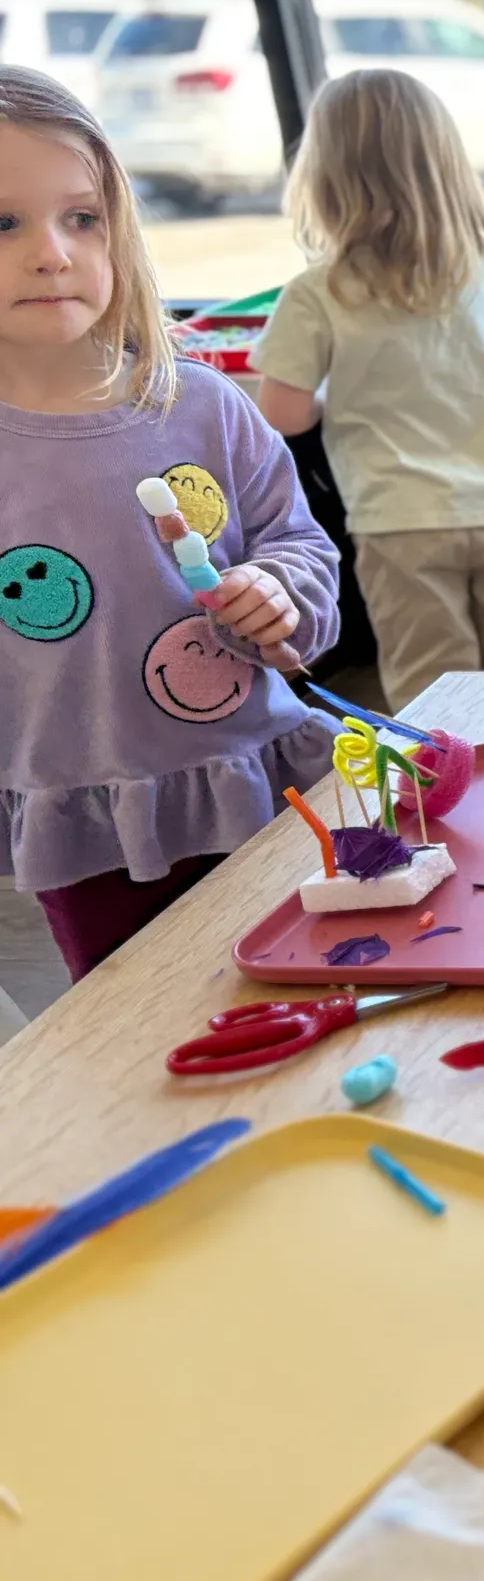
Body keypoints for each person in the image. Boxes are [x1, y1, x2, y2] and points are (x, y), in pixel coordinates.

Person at [0, 68, 338, 984]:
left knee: (311, 990)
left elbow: (298, 546)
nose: (52, 254)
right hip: (83, 826)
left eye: (82, 218)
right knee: (133, 1036)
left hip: (260, 784)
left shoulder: (203, 407)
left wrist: (280, 593)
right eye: (6, 224)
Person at [254, 68, 484, 712]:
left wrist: (332, 400)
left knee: (432, 675)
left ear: (323, 176)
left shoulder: (318, 292)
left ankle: (445, 794)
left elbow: (281, 414)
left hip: (398, 521)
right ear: (446, 168)